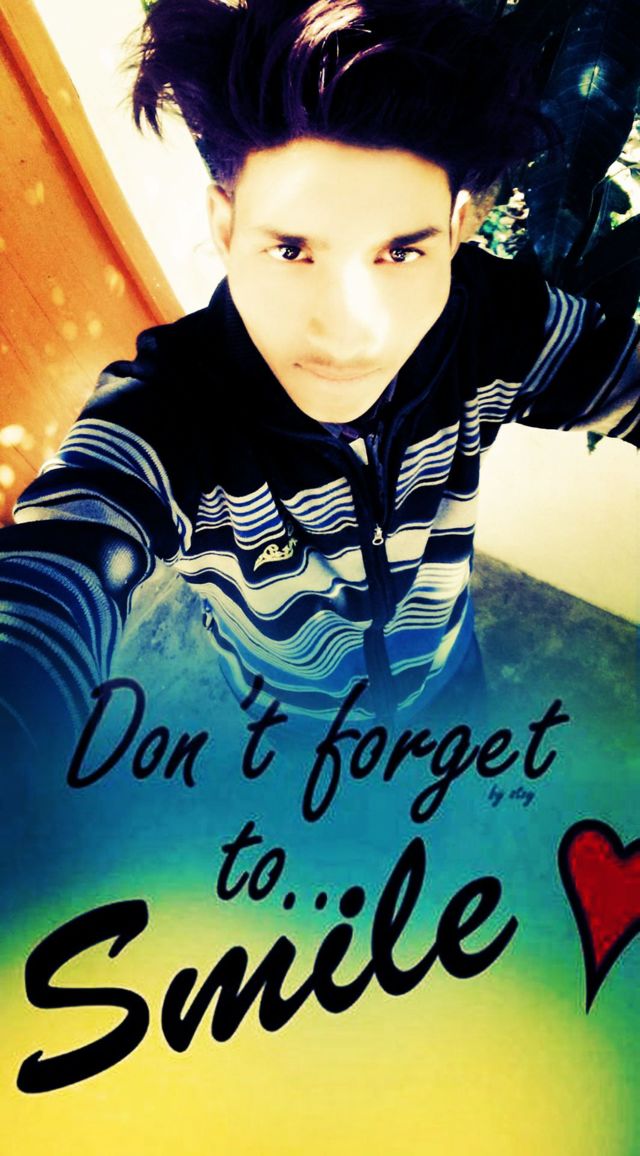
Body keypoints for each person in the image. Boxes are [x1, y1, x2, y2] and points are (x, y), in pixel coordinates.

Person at [0, 0, 638, 763]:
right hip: (292, 728)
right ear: (226, 227)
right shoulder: (171, 412)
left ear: (459, 229)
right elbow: (64, 558)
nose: (349, 332)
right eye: (292, 250)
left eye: (400, 253)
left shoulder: (497, 325)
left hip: (451, 684)